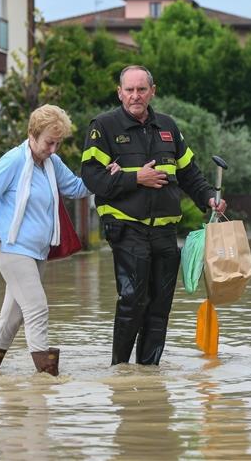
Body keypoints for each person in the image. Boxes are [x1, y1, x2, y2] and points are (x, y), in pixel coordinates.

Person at [81, 65, 227, 366]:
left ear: (152, 91)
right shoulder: (104, 127)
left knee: (160, 306)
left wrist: (209, 198)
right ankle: (120, 369)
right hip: (126, 229)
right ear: (119, 92)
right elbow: (92, 179)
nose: (135, 96)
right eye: (129, 90)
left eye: (141, 89)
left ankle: (149, 372)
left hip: (164, 232)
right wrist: (137, 178)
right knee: (133, 301)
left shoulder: (168, 127)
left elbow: (190, 174)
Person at [0, 104, 91, 376]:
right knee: (37, 308)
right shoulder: (13, 161)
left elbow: (76, 188)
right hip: (12, 249)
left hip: (37, 252)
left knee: (11, 320)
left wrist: (107, 176)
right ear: (32, 135)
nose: (53, 149)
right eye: (49, 143)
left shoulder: (52, 163)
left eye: (58, 143)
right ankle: (47, 381)